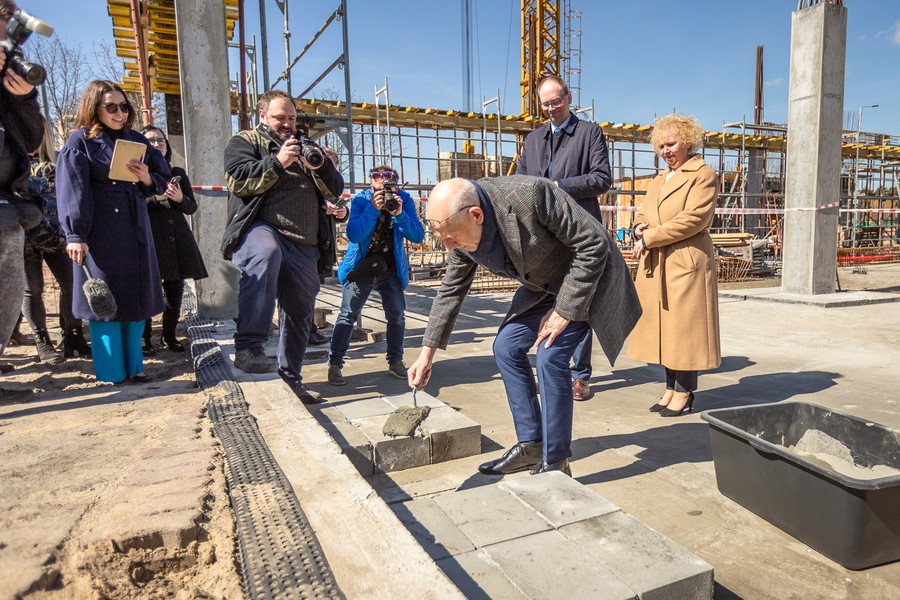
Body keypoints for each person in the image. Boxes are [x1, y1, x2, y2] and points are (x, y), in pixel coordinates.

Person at [407, 176, 641, 476]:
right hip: (544, 285)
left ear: (476, 215)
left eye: (452, 237)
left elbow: (592, 243)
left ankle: (555, 460)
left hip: (587, 277)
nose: (449, 246)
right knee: (505, 347)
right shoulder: (460, 228)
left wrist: (564, 310)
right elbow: (450, 290)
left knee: (550, 354)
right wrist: (426, 354)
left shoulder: (530, 196)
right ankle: (531, 446)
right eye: (443, 238)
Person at [221, 89, 344, 403]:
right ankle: (249, 347)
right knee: (265, 255)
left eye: (291, 117)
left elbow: (335, 189)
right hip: (263, 229)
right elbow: (237, 180)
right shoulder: (245, 142)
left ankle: (292, 378)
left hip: (304, 240)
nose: (288, 124)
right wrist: (277, 162)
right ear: (263, 115)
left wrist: (317, 166)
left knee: (301, 309)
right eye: (280, 117)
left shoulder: (307, 147)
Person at [56, 80, 170, 384]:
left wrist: (147, 178)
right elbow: (73, 189)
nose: (119, 113)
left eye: (123, 106)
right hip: (100, 229)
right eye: (111, 107)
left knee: (136, 297)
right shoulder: (79, 141)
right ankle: (111, 372)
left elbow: (163, 176)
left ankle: (135, 367)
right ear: (95, 108)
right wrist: (75, 234)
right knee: (103, 300)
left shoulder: (137, 140)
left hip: (135, 225)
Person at [516, 75, 612, 402]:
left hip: (579, 232)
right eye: (545, 104)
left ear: (569, 98)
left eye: (557, 101)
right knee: (551, 301)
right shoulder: (533, 140)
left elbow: (602, 179)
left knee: (580, 301)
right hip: (545, 237)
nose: (552, 108)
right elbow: (520, 183)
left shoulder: (589, 134)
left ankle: (580, 375)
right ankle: (553, 369)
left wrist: (559, 188)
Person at [628, 114, 721, 417]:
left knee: (685, 330)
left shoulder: (702, 174)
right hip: (658, 260)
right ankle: (670, 388)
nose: (666, 151)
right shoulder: (658, 179)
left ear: (688, 142)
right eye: (661, 146)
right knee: (665, 330)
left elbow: (694, 219)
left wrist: (650, 237)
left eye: (672, 144)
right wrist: (638, 227)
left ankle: (685, 392)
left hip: (684, 260)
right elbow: (645, 212)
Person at [327, 165, 424, 386]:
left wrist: (399, 214)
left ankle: (395, 360)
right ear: (371, 183)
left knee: (397, 315)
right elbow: (354, 234)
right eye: (376, 177)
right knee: (347, 315)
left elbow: (417, 235)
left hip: (390, 269)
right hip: (362, 266)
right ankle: (335, 364)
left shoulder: (404, 201)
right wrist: (372, 208)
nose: (382, 182)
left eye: (388, 178)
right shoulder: (361, 201)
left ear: (397, 184)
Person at [0, 0, 43, 402]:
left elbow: (31, 141)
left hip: (4, 202)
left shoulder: (9, 78)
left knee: (7, 289)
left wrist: (24, 98)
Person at [139, 125, 208, 354]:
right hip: (150, 240)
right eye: (150, 141)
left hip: (176, 239)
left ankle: (170, 335)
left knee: (175, 290)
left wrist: (179, 198)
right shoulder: (135, 174)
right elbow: (134, 206)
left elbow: (191, 207)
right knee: (148, 290)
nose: (156, 144)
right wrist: (156, 198)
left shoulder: (177, 172)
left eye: (160, 140)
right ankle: (145, 338)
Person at [22, 130, 84, 364]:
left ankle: (73, 335)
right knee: (33, 289)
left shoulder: (58, 159)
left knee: (71, 283)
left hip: (56, 233)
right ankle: (43, 342)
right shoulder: (12, 159)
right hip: (24, 234)